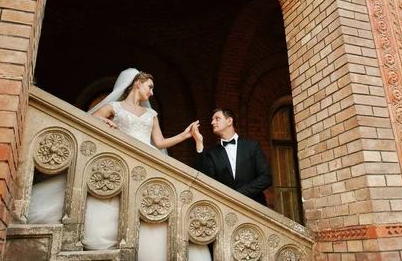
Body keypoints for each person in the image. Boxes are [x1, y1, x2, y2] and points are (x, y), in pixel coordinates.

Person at [28, 68, 211, 260]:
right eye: (150, 87)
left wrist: (186, 134)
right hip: (120, 161)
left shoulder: (151, 114)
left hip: (146, 162)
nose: (152, 92)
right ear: (137, 84)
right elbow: (87, 121)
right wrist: (105, 124)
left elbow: (160, 142)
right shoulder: (113, 107)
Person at [191, 108, 272, 207]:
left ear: (229, 121)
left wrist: (238, 194)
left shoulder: (252, 146)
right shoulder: (212, 153)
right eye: (212, 120)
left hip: (256, 207)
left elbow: (266, 178)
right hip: (227, 210)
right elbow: (204, 178)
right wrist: (199, 143)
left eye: (217, 119)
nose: (212, 122)